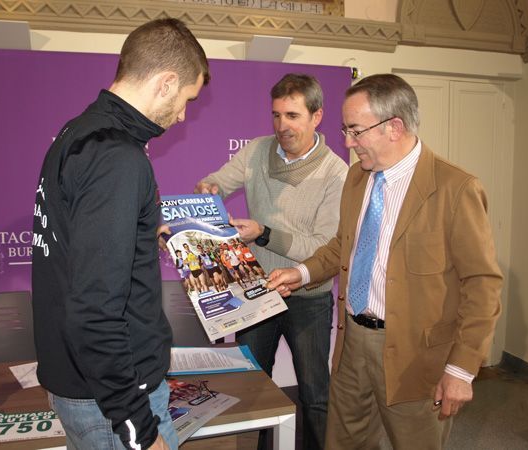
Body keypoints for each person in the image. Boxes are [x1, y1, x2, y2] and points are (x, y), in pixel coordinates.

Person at [266, 74, 503, 449]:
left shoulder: (456, 189)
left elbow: (482, 285)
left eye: (355, 130)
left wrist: (460, 370)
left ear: (394, 127)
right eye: (345, 129)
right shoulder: (358, 179)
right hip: (351, 344)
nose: (346, 142)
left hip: (415, 354)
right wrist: (301, 272)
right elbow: (343, 245)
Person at [31, 18, 210, 450]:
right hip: (115, 401)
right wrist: (139, 430)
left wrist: (139, 229)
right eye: (187, 99)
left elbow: (78, 247)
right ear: (166, 82)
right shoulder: (117, 157)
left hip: (88, 387)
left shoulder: (80, 132)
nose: (184, 115)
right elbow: (94, 310)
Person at [195, 73, 348, 450]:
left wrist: (263, 233)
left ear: (317, 116)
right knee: (251, 389)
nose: (283, 125)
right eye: (277, 115)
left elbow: (323, 247)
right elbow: (217, 180)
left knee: (314, 395)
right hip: (255, 293)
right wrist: (209, 188)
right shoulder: (256, 151)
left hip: (308, 298)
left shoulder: (337, 173)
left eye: (293, 115)